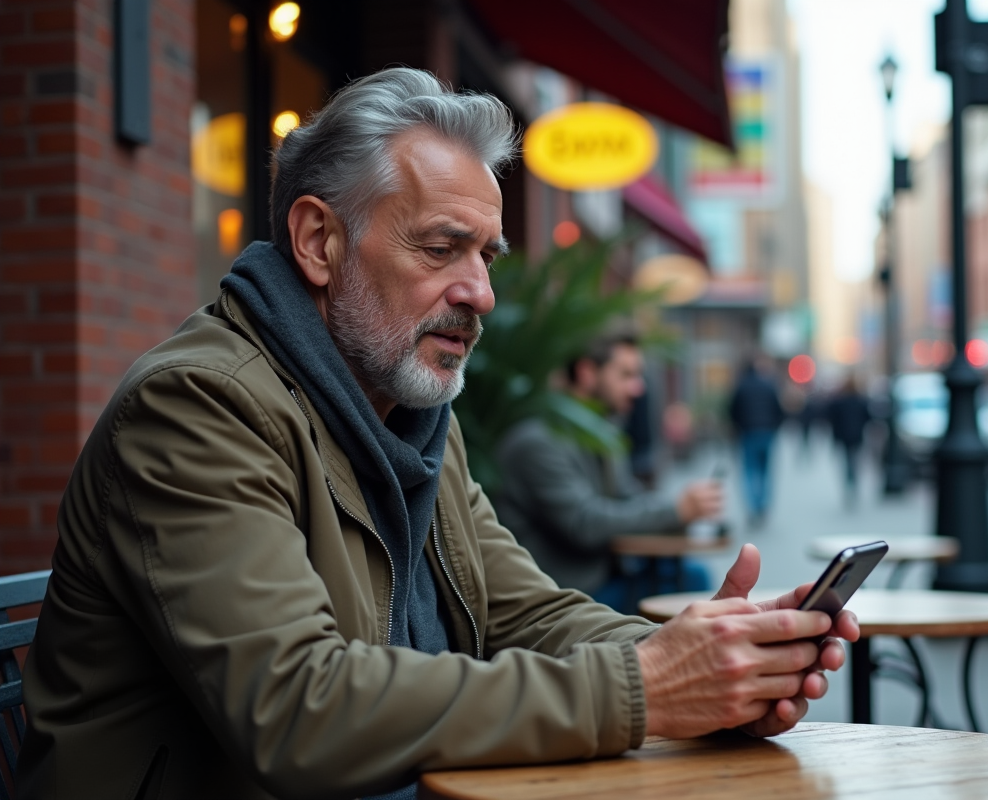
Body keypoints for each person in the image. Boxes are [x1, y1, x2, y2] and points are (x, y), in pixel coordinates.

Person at [17, 69, 859, 799]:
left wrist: (712, 658)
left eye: (486, 256)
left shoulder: (410, 414)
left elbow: (521, 613)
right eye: (442, 248)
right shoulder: (197, 406)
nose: (480, 292)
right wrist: (648, 686)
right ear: (319, 241)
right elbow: (298, 709)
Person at [494, 332, 720, 611]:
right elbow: (585, 523)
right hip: (560, 598)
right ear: (587, 372)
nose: (638, 388)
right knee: (694, 582)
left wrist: (683, 509)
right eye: (626, 375)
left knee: (693, 575)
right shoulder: (538, 440)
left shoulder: (600, 433)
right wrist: (676, 511)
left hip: (603, 579)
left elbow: (628, 498)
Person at [728, 356, 786, 526]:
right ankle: (763, 505)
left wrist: (738, 427)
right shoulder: (769, 385)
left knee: (749, 471)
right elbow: (779, 410)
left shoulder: (741, 386)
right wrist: (774, 427)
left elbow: (732, 411)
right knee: (766, 472)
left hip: (747, 433)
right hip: (767, 432)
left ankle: (753, 507)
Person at [826, 375, 872, 506]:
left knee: (847, 461)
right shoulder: (861, 400)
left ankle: (849, 484)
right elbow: (868, 417)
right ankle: (854, 483)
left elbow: (830, 417)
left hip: (843, 436)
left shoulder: (838, 401)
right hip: (857, 436)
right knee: (855, 461)